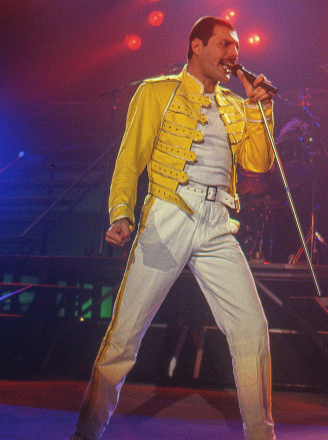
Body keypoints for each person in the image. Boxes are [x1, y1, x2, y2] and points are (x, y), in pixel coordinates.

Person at [68, 16, 276, 440]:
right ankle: (86, 433)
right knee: (125, 334)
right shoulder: (156, 91)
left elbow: (259, 161)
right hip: (169, 213)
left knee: (251, 329)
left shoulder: (237, 105)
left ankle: (262, 435)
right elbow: (130, 158)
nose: (233, 54)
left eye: (236, 47)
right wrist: (120, 213)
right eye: (224, 44)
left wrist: (261, 107)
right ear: (196, 46)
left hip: (218, 222)